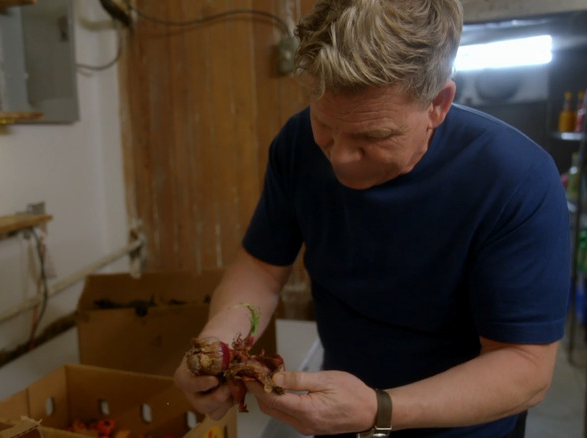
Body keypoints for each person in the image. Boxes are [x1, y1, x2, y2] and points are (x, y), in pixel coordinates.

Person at [173, 0, 571, 437]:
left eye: (372, 136)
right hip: (339, 414)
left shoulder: (514, 179)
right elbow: (262, 271)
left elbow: (526, 366)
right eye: (325, 124)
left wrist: (379, 409)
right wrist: (218, 343)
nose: (339, 157)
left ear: (438, 104)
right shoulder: (296, 144)